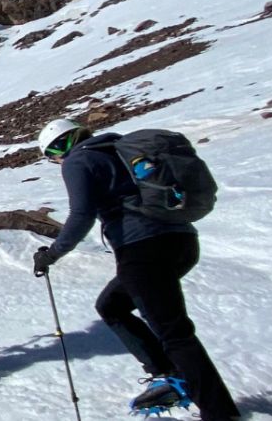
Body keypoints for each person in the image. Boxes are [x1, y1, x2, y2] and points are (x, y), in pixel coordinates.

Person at [32, 119, 239, 419]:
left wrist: (51, 254)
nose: (55, 162)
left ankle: (218, 411)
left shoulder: (77, 161)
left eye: (52, 157)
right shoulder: (117, 147)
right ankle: (167, 373)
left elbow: (81, 215)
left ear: (57, 147)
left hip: (141, 249)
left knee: (174, 333)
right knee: (112, 305)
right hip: (181, 239)